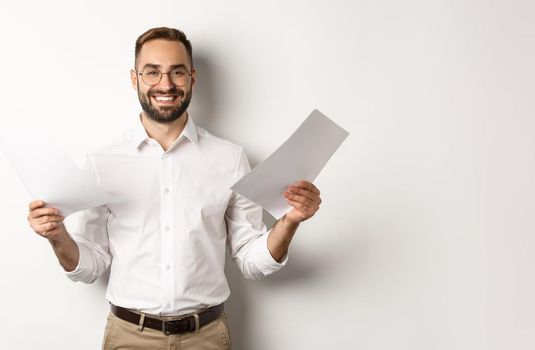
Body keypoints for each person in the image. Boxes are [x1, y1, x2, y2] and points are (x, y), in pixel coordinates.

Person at [26, 27, 321, 350]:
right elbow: (88, 268)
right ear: (134, 78)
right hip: (129, 338)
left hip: (206, 337)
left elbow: (252, 261)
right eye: (152, 72)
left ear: (192, 78)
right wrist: (57, 236)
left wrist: (289, 221)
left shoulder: (230, 158)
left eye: (176, 72)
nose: (165, 84)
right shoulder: (102, 163)